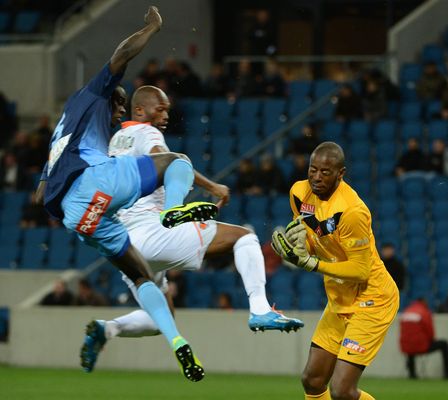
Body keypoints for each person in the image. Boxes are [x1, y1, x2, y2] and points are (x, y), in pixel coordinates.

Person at [34, 7, 216, 382]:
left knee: (141, 275)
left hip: (77, 217)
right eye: (118, 107)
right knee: (176, 162)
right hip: (92, 185)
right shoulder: (94, 95)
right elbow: (121, 55)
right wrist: (151, 28)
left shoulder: (65, 127)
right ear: (112, 99)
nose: (118, 116)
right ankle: (173, 212)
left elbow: (40, 194)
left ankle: (177, 340)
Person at [86, 84, 302, 362]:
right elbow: (166, 160)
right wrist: (213, 187)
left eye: (167, 110)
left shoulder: (114, 142)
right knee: (244, 237)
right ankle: (260, 308)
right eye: (159, 108)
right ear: (139, 110)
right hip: (153, 231)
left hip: (124, 247)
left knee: (159, 317)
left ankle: (109, 328)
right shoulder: (147, 132)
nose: (165, 115)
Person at [271, 142, 399, 400]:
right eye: (313, 169)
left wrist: (312, 264)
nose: (317, 177)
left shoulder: (352, 211)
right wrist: (299, 244)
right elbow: (313, 238)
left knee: (341, 391)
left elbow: (361, 270)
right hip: (339, 298)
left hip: (372, 299)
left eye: (325, 172)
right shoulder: (299, 192)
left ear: (341, 174)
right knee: (313, 380)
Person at [399, 298, 448, 380]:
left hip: (406, 347)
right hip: (421, 346)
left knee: (410, 346)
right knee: (444, 344)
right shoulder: (424, 312)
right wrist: (431, 340)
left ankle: (412, 374)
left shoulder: (406, 311)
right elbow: (430, 330)